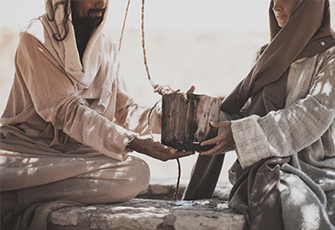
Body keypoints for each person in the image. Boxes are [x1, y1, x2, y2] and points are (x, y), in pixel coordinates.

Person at [0, 0, 193, 229]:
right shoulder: (35, 37)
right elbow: (67, 111)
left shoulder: (107, 48)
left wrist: (167, 116)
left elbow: (124, 111)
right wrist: (134, 142)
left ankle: (19, 198)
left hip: (78, 157)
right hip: (29, 152)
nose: (101, 3)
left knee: (136, 173)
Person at [185, 0, 335, 229]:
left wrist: (242, 135)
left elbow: (314, 114)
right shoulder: (264, 55)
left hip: (321, 172)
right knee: (300, 210)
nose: (276, 6)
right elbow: (244, 115)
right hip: (267, 169)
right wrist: (196, 114)